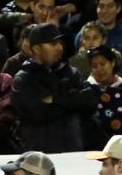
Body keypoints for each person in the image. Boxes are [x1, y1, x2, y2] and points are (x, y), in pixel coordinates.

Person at [11, 22, 99, 153]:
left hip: (74, 153)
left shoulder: (71, 72)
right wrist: (72, 101)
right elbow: (38, 114)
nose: (59, 48)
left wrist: (55, 99)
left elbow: (90, 101)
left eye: (59, 43)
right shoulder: (23, 80)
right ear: (36, 49)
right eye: (53, 44)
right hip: (39, 158)